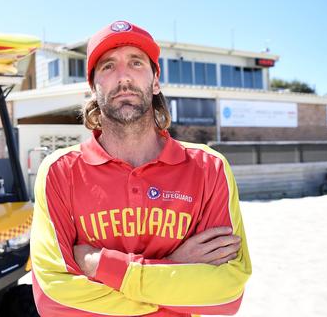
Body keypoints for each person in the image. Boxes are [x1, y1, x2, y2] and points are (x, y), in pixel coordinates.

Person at [30, 20, 251, 316]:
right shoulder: (59, 172)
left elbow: (227, 294)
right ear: (93, 88)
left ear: (155, 81)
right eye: (108, 66)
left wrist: (102, 265)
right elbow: (53, 300)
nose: (123, 77)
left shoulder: (209, 168)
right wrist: (176, 267)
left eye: (136, 63)